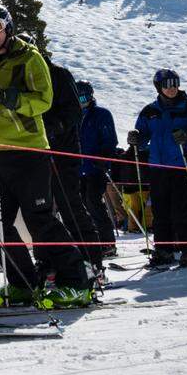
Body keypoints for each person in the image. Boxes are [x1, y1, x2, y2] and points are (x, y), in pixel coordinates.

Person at [0, 5, 92, 308]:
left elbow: (43, 100)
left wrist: (7, 97)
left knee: (39, 219)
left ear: (7, 26)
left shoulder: (29, 58)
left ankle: (77, 281)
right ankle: (23, 283)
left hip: (28, 150)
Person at [130, 69, 187, 268]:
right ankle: (164, 248)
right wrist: (136, 139)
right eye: (167, 84)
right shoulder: (150, 111)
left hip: (183, 165)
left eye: (175, 83)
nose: (172, 88)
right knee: (160, 209)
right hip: (158, 166)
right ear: (159, 87)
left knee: (185, 208)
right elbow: (142, 136)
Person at [41, 53, 103, 271]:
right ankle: (48, 260)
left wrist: (56, 125)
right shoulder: (20, 76)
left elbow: (74, 112)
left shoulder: (58, 74)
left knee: (69, 205)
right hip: (35, 154)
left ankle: (92, 261)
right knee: (41, 211)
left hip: (62, 152)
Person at [77, 81, 119, 257]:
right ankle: (87, 242)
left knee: (93, 201)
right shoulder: (72, 115)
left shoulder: (101, 114)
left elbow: (110, 140)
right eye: (78, 97)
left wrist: (103, 157)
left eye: (85, 96)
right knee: (80, 205)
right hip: (77, 169)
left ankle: (107, 242)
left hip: (95, 168)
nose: (82, 101)